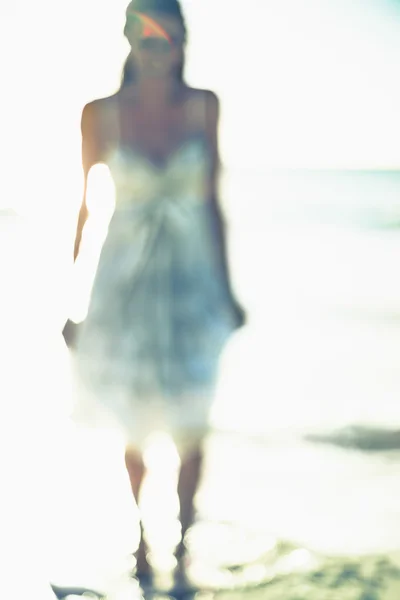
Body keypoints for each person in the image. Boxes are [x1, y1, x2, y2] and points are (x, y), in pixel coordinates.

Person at [69, 0, 245, 589]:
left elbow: (214, 201)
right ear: (127, 39)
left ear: (181, 41)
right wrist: (74, 301)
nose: (155, 48)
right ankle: (143, 539)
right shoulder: (100, 113)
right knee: (133, 420)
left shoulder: (204, 106)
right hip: (124, 289)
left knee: (195, 420)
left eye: (165, 37)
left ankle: (185, 543)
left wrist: (229, 290)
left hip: (193, 286)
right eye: (144, 36)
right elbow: (84, 208)